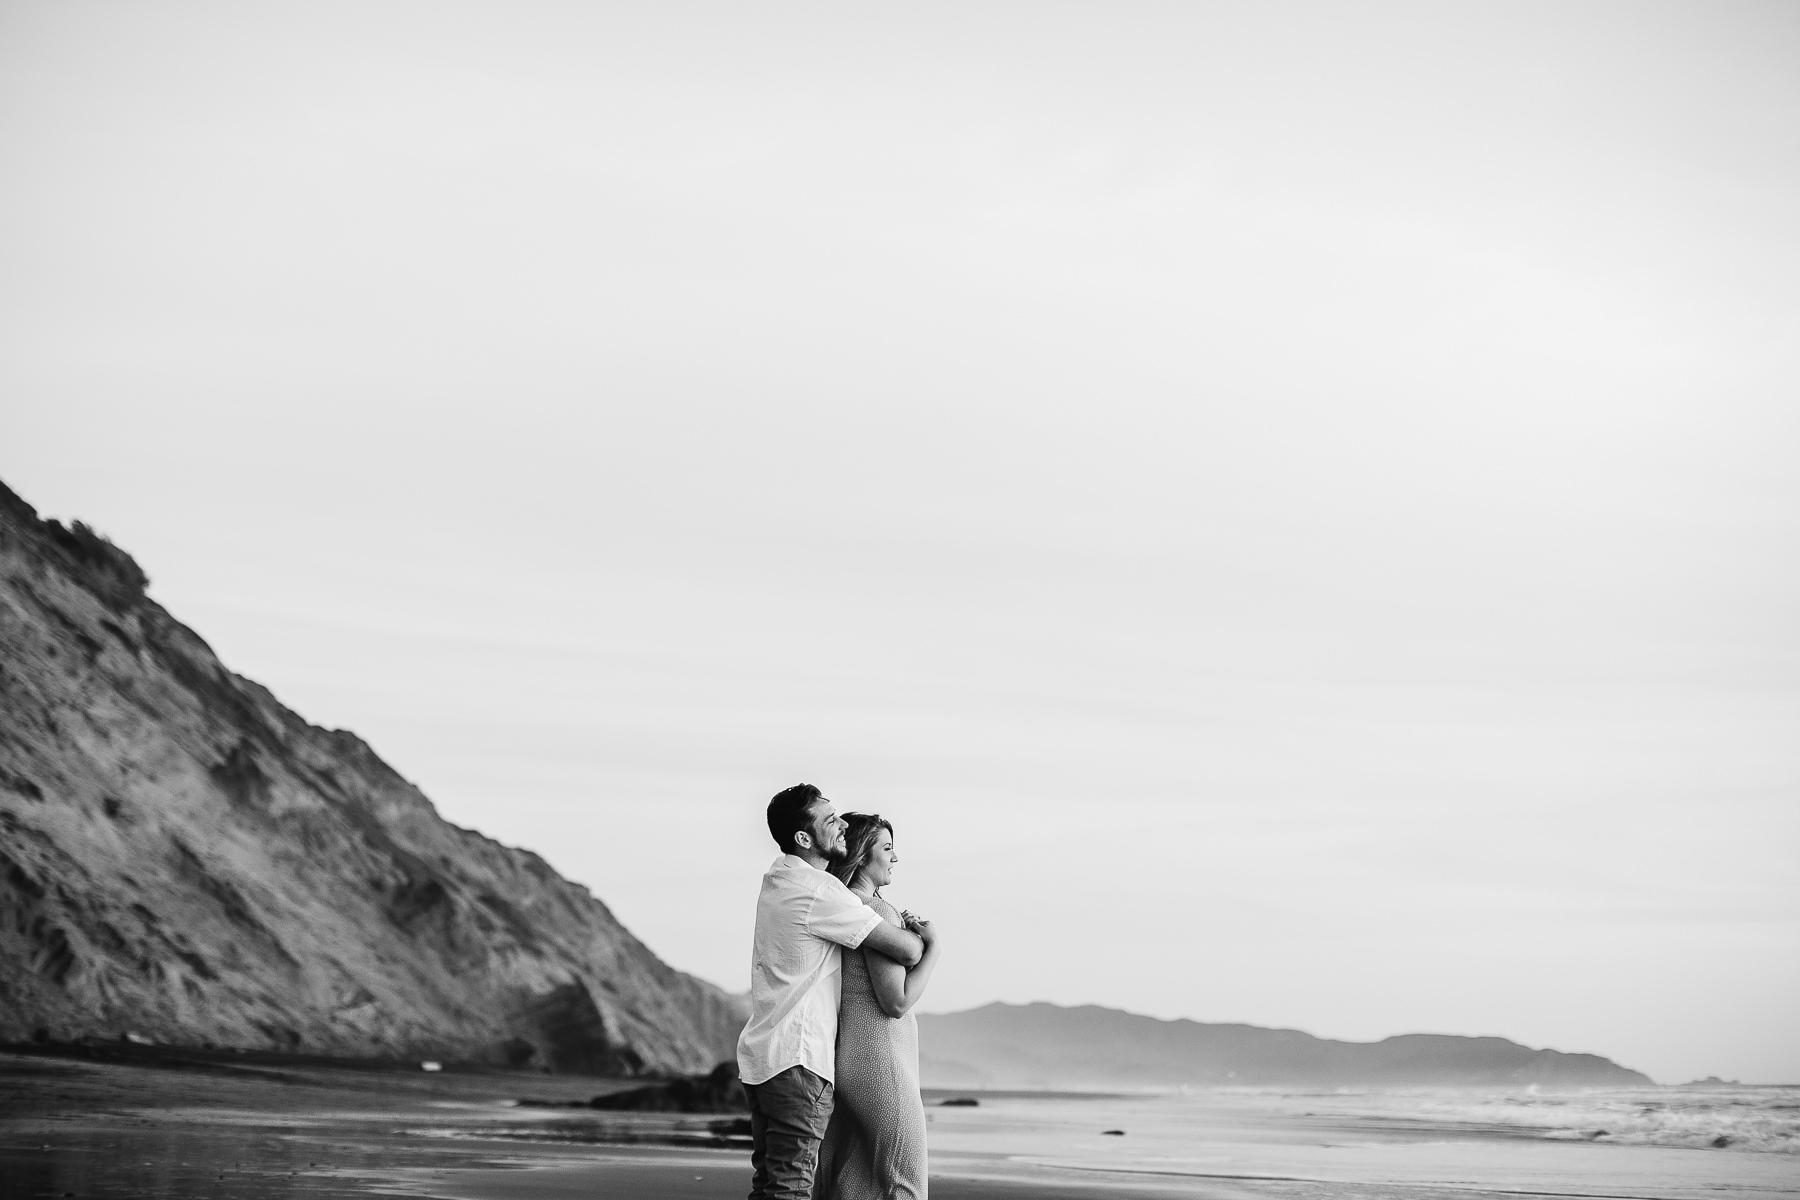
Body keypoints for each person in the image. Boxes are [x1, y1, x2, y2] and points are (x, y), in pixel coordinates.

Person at [738, 784, 929, 1200]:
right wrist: (930, 939)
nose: (841, 823)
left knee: (773, 1182)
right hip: (798, 1058)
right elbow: (907, 950)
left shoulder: (780, 878)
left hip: (765, 1057)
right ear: (804, 838)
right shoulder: (820, 892)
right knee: (790, 1187)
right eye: (829, 820)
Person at [814, 813, 941, 1200]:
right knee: (903, 1184)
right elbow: (896, 1002)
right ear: (861, 854)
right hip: (881, 1064)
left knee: (855, 1183)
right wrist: (933, 948)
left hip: (850, 1061)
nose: (895, 858)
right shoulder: (876, 912)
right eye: (886, 848)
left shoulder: (841, 907)